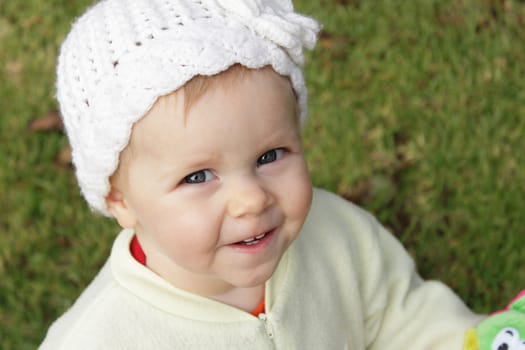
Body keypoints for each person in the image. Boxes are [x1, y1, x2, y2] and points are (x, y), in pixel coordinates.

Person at [39, 0, 485, 348]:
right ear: (120, 200)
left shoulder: (337, 235)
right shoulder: (100, 339)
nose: (251, 199)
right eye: (198, 177)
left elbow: (402, 317)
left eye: (270, 155)